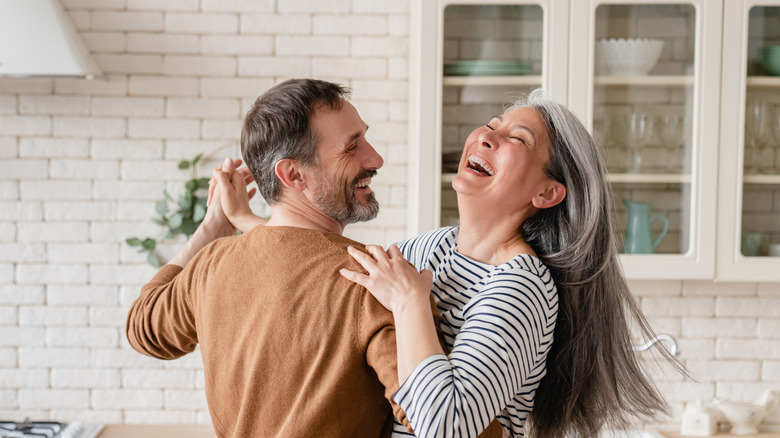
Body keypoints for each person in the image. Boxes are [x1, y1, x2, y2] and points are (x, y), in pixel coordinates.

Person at [216, 89, 673, 438]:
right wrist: (247, 219)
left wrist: (413, 304)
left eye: (517, 138)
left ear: (547, 193)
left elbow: (447, 426)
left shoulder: (522, 288)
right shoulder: (433, 248)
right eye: (492, 125)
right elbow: (339, 270)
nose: (486, 136)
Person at [126, 78, 407, 438]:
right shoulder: (373, 279)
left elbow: (143, 328)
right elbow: (442, 420)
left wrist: (213, 226)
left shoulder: (212, 264)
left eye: (365, 138)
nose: (375, 158)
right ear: (293, 174)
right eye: (352, 148)